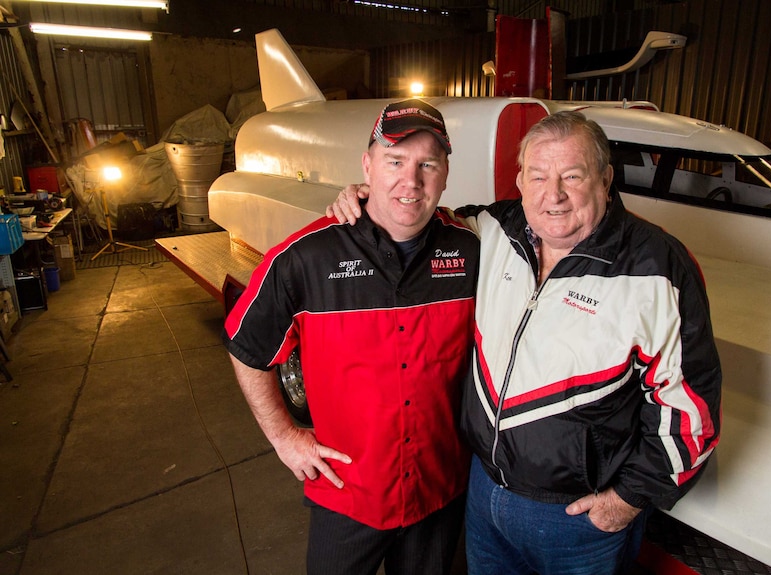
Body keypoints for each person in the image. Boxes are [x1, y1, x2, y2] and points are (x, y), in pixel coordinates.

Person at [329, 110, 722, 575]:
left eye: (572, 176)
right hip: (484, 494)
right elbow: (415, 216)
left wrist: (628, 499)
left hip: (579, 521)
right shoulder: (492, 230)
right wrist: (366, 197)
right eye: (537, 175)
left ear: (606, 178)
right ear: (519, 179)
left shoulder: (657, 267)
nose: (552, 195)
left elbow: (690, 409)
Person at [223, 98, 480, 575]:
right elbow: (246, 345)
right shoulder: (306, 257)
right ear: (367, 166)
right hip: (347, 495)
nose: (411, 180)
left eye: (428, 164)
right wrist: (284, 438)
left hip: (438, 494)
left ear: (445, 174)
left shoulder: (470, 251)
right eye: (394, 161)